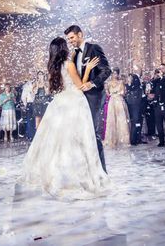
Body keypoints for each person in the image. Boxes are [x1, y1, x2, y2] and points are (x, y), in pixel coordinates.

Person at [22, 37, 109, 200]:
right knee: (76, 140)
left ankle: (57, 173)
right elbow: (80, 86)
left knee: (58, 141)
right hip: (74, 102)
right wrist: (89, 69)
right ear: (63, 48)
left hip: (59, 102)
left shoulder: (51, 67)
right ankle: (74, 175)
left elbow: (54, 87)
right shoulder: (69, 64)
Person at [64, 25, 111, 172]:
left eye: (72, 37)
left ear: (80, 34)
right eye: (68, 39)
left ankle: (101, 172)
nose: (70, 41)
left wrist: (93, 83)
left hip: (94, 96)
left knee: (94, 133)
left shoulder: (94, 48)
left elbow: (106, 70)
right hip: (80, 98)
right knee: (83, 133)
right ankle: (87, 169)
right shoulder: (75, 55)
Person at [104, 67, 130, 148]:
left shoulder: (121, 82)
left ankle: (122, 139)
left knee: (121, 120)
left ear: (118, 74)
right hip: (112, 102)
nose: (114, 75)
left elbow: (124, 92)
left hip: (119, 101)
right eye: (113, 73)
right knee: (112, 120)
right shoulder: (108, 83)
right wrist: (110, 93)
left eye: (115, 73)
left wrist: (117, 92)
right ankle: (112, 139)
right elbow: (107, 93)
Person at [125, 74, 143, 145]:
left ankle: (135, 139)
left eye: (131, 78)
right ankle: (133, 139)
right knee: (133, 122)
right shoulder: (127, 86)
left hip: (136, 107)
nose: (129, 79)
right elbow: (126, 95)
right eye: (129, 78)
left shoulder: (138, 87)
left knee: (136, 122)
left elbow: (139, 98)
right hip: (129, 106)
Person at [21, 71, 36, 141]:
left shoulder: (37, 83)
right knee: (30, 120)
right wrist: (26, 104)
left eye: (33, 75)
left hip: (38, 103)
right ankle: (31, 136)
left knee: (37, 120)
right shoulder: (26, 85)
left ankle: (36, 135)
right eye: (30, 75)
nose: (32, 76)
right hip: (30, 104)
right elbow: (23, 97)